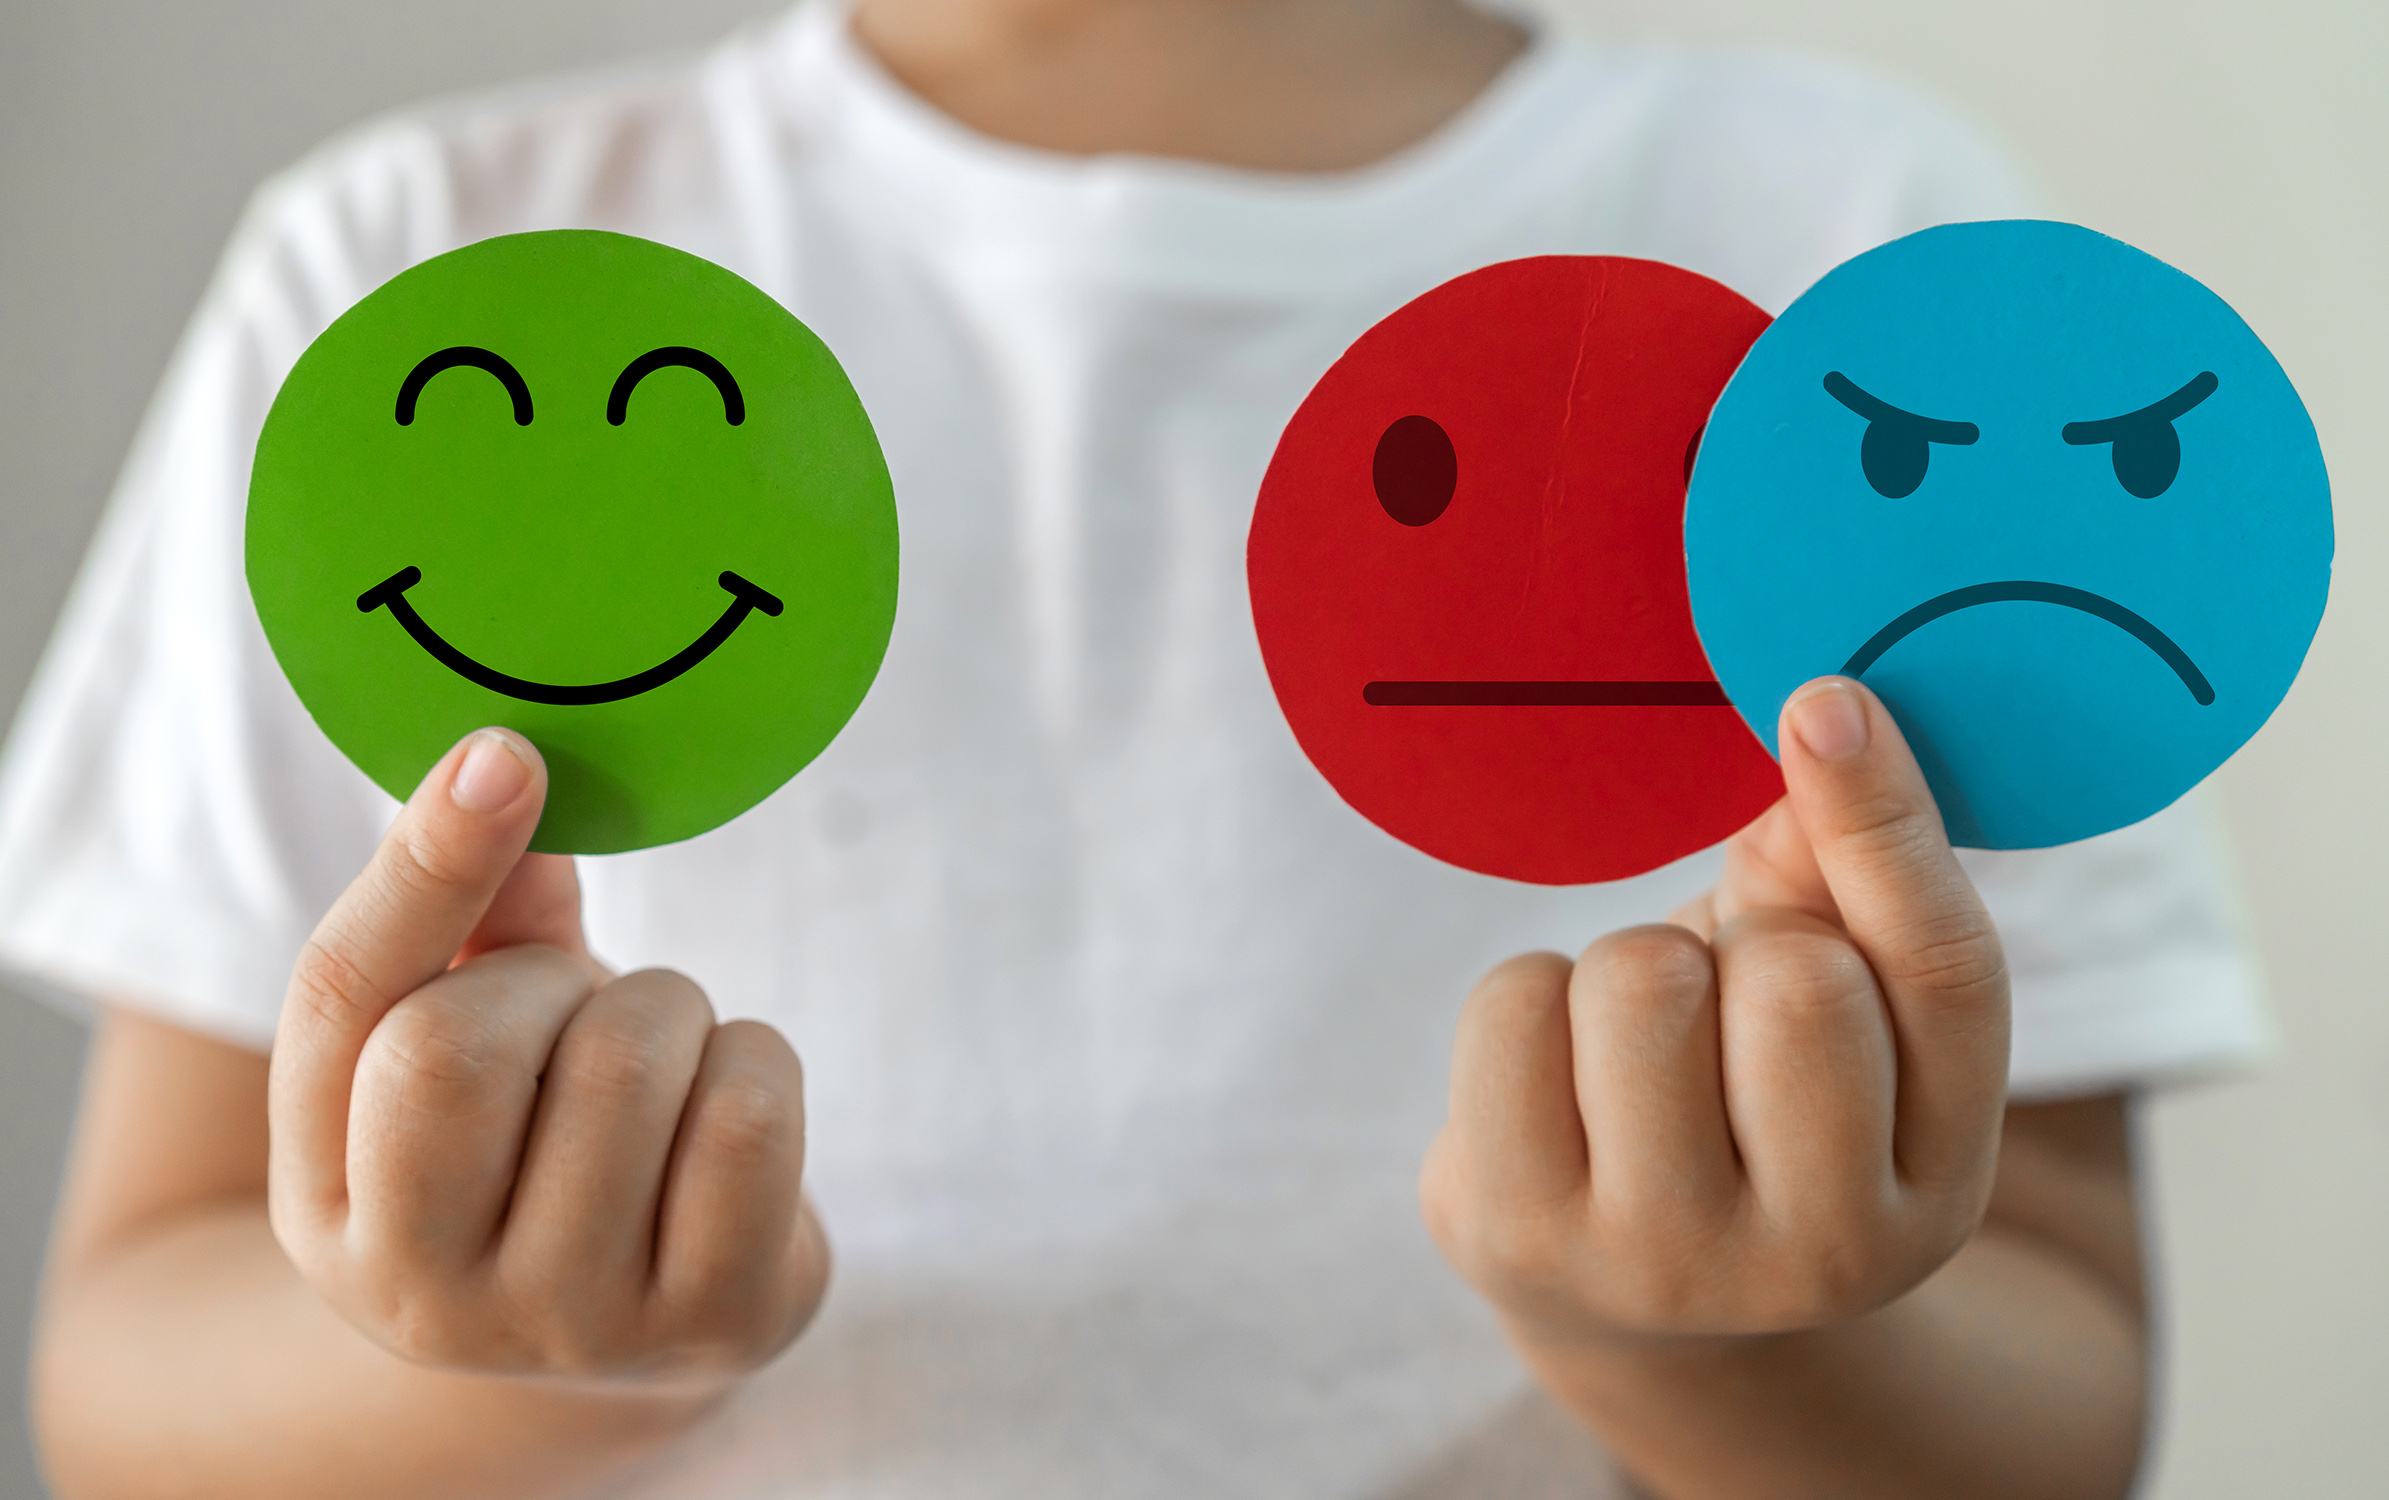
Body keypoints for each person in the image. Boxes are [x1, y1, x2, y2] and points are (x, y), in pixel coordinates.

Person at [0, 0, 2269, 1495]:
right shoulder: (412, 285)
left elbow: (2058, 1405)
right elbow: (125, 1379)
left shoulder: (1888, 300)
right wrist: (511, 1340)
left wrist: (1697, 1339)